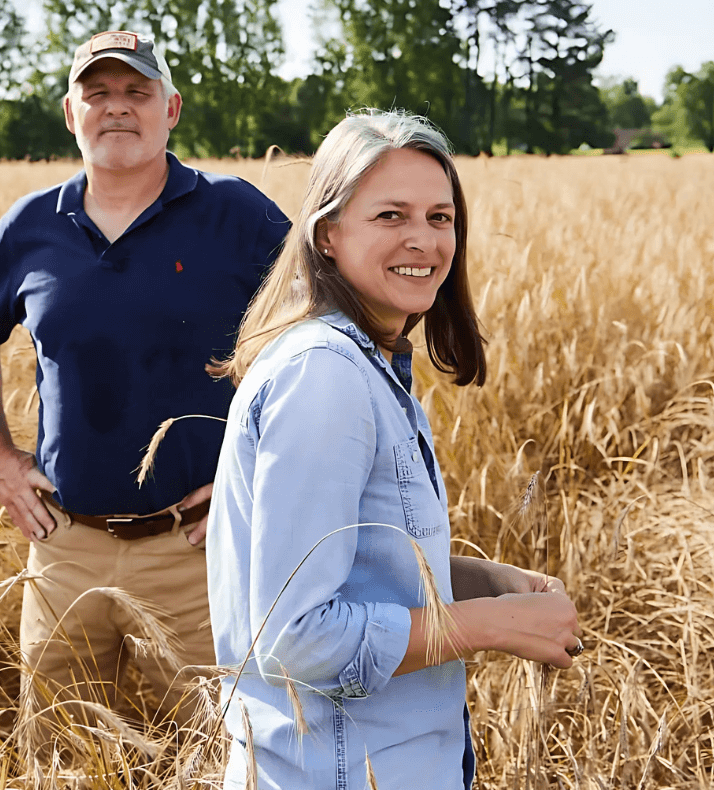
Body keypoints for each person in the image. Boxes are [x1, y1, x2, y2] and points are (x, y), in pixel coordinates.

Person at [205, 111, 583, 790]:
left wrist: (484, 582)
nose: (423, 240)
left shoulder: (363, 362)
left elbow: (355, 565)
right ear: (327, 233)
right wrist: (490, 623)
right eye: (390, 215)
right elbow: (295, 637)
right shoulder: (324, 376)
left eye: (441, 218)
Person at [0, 30, 289, 756]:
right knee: (60, 755)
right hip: (62, 548)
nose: (117, 108)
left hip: (195, 551)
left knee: (219, 754)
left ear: (172, 109)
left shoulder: (236, 212)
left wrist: (261, 472)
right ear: (71, 114)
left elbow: (321, 330)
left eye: (137, 92)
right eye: (97, 93)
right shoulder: (32, 225)